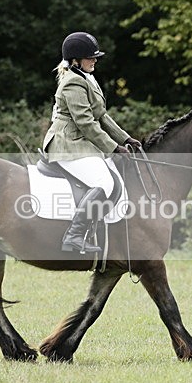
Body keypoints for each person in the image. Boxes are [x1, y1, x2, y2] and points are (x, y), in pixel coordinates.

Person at [42, 31, 142, 253]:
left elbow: (102, 116)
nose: (95, 60)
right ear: (76, 60)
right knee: (104, 183)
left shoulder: (87, 78)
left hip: (80, 143)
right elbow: (86, 123)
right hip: (67, 144)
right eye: (91, 56)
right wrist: (113, 148)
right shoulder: (72, 83)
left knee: (112, 179)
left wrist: (125, 138)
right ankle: (74, 236)